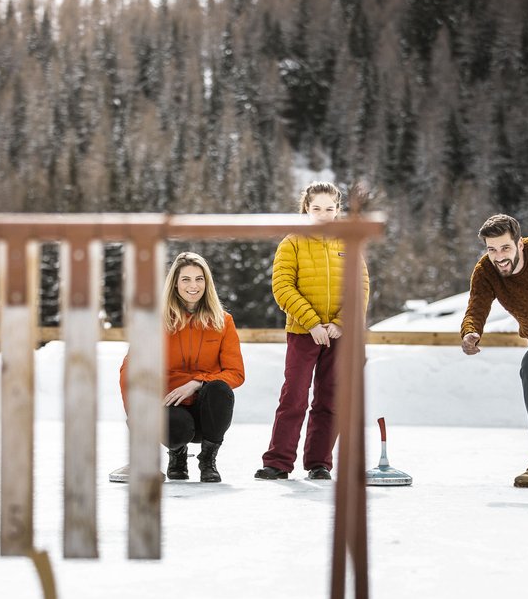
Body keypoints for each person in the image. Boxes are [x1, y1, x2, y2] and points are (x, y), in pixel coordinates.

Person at [255, 181, 370, 481]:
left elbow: (362, 287)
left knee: (329, 398)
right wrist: (312, 324)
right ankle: (278, 462)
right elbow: (282, 287)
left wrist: (340, 324)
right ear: (306, 207)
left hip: (337, 335)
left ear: (337, 210)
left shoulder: (348, 244)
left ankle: (319, 462)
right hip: (303, 332)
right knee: (293, 396)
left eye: (329, 209)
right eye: (316, 208)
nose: (323, 214)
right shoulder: (292, 242)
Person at [111, 251, 245, 484]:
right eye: (186, 279)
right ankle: (177, 455)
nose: (193, 286)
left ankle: (207, 460)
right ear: (174, 283)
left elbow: (236, 372)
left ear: (207, 282)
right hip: (171, 407)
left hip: (207, 409)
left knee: (220, 389)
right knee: (177, 428)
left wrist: (197, 382)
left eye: (199, 279)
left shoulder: (223, 321)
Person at [461, 213, 528, 487]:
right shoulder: (486, 270)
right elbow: (477, 305)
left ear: (520, 244)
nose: (499, 256)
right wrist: (471, 331)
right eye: (491, 249)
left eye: (505, 247)